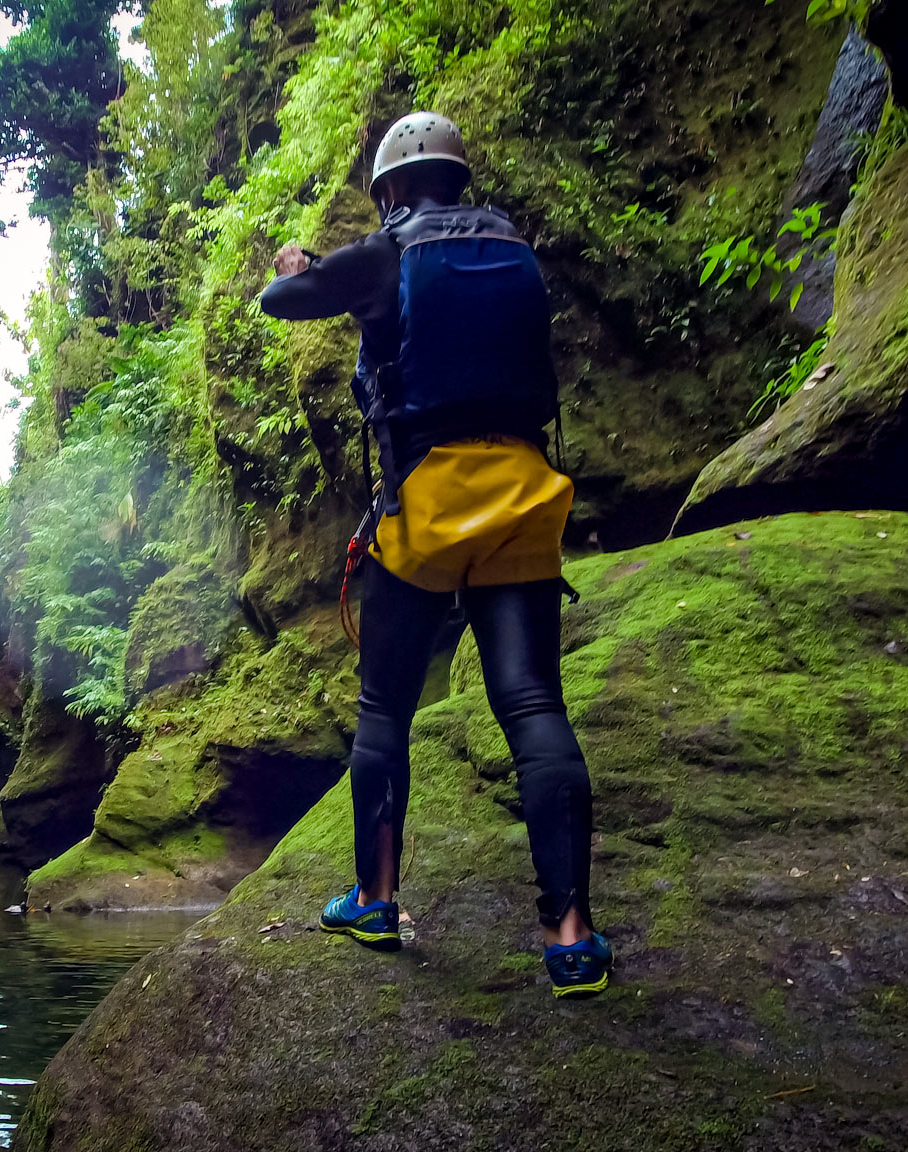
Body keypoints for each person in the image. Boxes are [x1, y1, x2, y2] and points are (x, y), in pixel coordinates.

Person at [258, 112, 610, 998]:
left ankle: (375, 899)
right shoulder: (514, 248)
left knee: (384, 708)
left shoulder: (386, 252)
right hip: (525, 496)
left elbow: (282, 304)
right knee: (533, 706)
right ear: (457, 178)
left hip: (426, 504)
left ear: (389, 189)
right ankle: (570, 936)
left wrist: (296, 269)